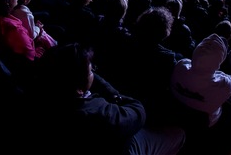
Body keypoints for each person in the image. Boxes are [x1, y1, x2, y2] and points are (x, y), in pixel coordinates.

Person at [31, 42, 186, 155]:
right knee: (178, 134)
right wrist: (115, 96)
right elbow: (138, 112)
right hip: (120, 146)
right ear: (79, 84)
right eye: (91, 70)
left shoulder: (43, 90)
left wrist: (86, 71)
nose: (94, 72)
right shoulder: (97, 112)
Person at [170, 33, 231, 154]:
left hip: (175, 112)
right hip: (204, 122)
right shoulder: (223, 85)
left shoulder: (180, 66)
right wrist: (218, 72)